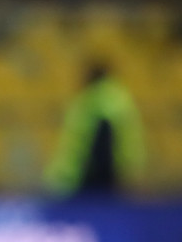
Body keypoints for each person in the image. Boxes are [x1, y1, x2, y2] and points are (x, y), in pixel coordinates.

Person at [44, 61, 146, 197]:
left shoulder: (89, 102)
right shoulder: (121, 100)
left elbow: (93, 145)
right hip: (115, 175)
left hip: (86, 177)